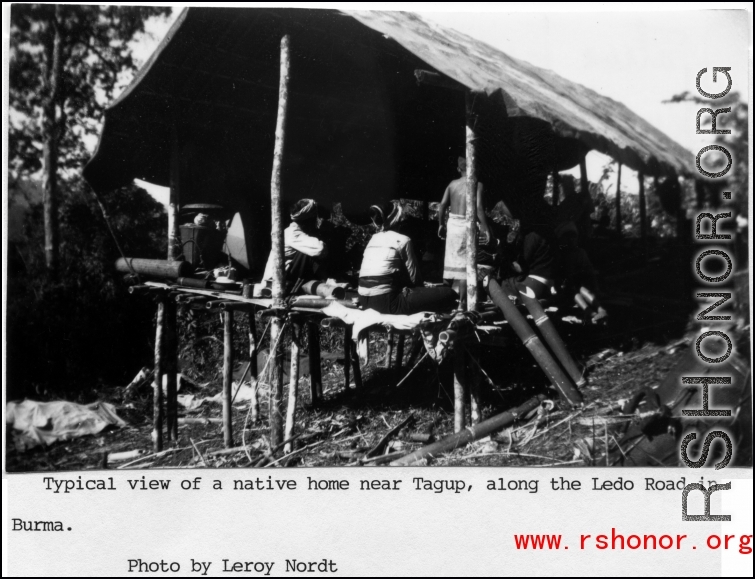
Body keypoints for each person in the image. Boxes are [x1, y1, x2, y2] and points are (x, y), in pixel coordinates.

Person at [358, 201, 458, 315]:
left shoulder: (373, 239)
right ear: (398, 219)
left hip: (364, 300)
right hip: (387, 303)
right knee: (449, 293)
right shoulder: (403, 240)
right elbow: (415, 280)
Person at [438, 156, 493, 303]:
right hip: (466, 224)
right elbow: (478, 207)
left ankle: (444, 300)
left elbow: (442, 205)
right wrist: (485, 227)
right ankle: (462, 304)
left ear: (458, 169)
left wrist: (441, 224)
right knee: (464, 266)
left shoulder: (452, 184)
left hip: (452, 224)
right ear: (475, 169)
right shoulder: (477, 184)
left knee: (450, 262)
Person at [262, 198, 328, 295]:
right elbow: (320, 249)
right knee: (311, 252)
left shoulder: (292, 231)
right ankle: (326, 281)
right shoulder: (293, 233)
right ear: (309, 219)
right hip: (276, 283)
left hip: (280, 279)